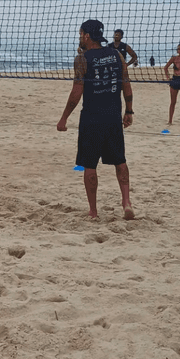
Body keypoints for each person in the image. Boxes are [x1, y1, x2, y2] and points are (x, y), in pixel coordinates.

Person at [57, 19, 134, 220]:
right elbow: (126, 84)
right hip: (113, 117)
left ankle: (93, 211)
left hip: (91, 118)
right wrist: (129, 111)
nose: (79, 37)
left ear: (87, 36)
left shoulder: (82, 59)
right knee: (120, 161)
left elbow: (76, 92)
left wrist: (64, 118)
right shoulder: (116, 55)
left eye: (80, 34)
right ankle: (126, 202)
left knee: (89, 165)